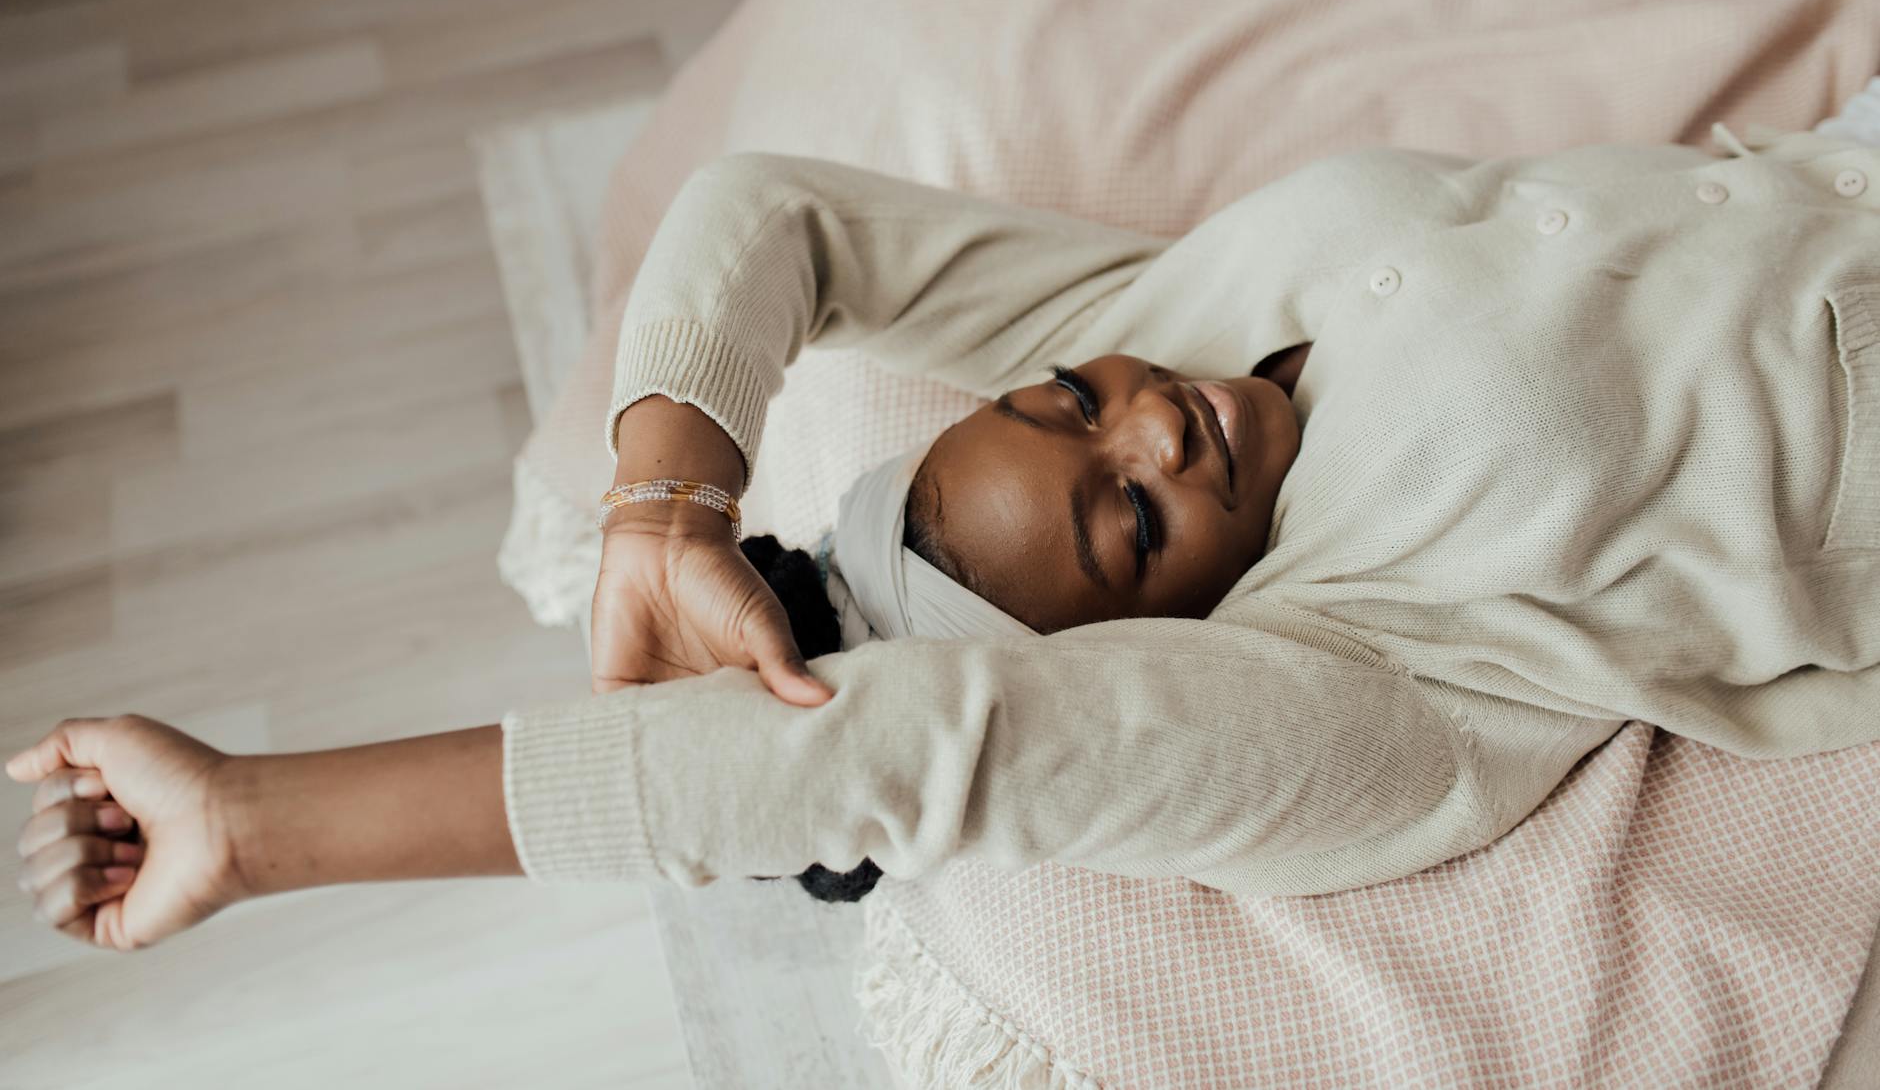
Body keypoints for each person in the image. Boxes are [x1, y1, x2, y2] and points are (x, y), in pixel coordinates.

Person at [12, 102, 1880, 951]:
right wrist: (260, 826)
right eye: (1136, 524)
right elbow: (903, 760)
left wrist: (668, 498)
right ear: (1160, 649)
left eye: (1074, 403)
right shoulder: (1361, 679)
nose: (1157, 423)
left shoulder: (1178, 317)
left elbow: (776, 214)